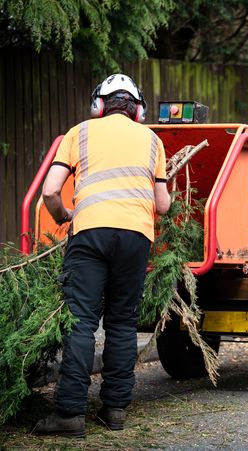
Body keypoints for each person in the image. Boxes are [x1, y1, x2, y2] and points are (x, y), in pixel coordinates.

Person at [33, 74, 171, 437]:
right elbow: (163, 204)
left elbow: (49, 191)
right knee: (122, 324)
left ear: (99, 105)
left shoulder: (79, 133)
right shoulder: (153, 140)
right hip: (136, 238)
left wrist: (65, 216)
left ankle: (69, 416)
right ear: (138, 110)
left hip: (90, 234)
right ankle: (114, 412)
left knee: (81, 322)